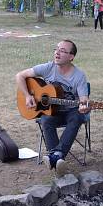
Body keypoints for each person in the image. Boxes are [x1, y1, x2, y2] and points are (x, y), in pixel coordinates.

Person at [15, 40, 90, 177]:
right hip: (52, 111)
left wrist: (84, 105)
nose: (57, 52)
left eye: (62, 50)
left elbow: (83, 98)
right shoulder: (48, 68)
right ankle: (57, 158)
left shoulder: (79, 75)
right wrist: (27, 96)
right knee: (46, 119)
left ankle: (56, 156)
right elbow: (20, 76)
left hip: (70, 111)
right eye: (56, 49)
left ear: (71, 57)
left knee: (77, 117)